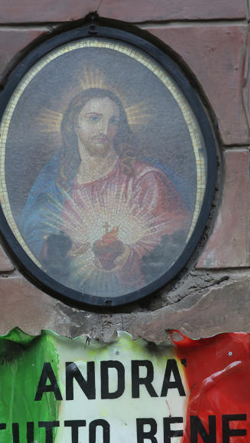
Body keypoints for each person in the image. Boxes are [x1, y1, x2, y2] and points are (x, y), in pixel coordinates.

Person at [20, 88, 191, 297]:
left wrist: (128, 254)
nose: (104, 129)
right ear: (74, 124)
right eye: (94, 119)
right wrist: (62, 250)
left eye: (113, 121)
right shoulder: (55, 187)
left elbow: (175, 234)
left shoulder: (144, 179)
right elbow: (34, 242)